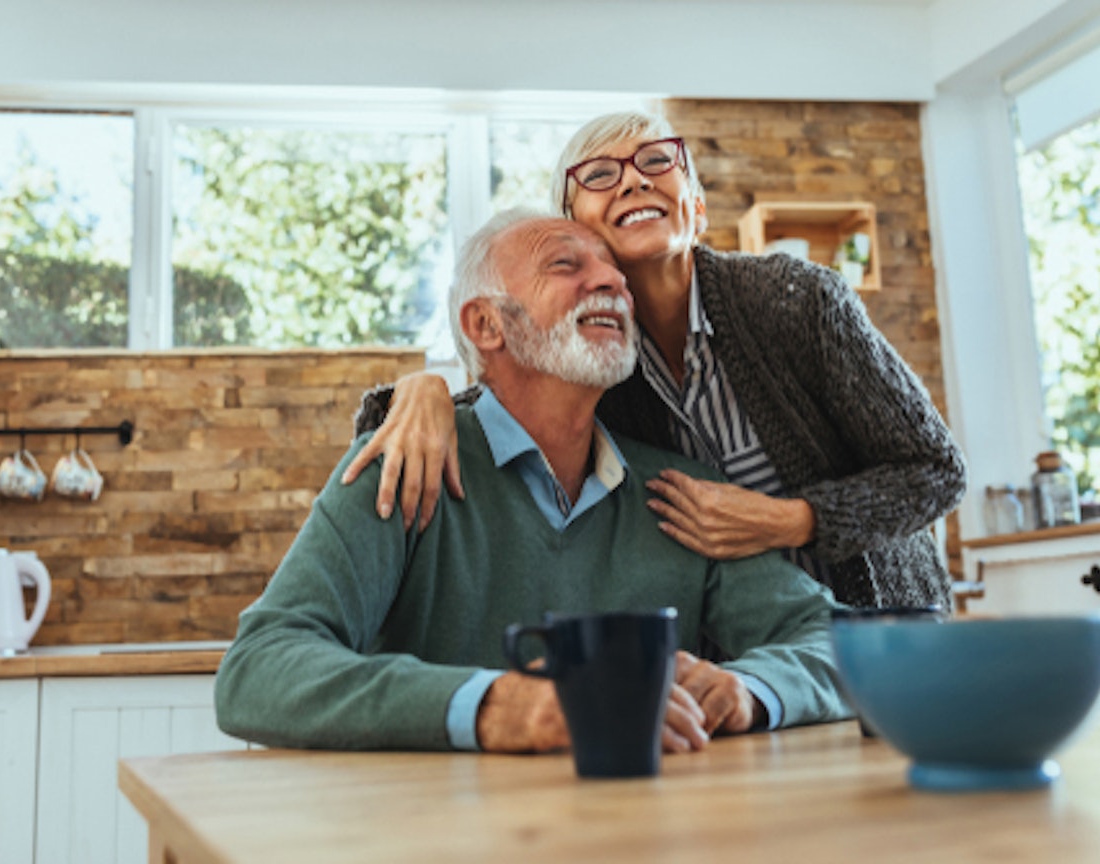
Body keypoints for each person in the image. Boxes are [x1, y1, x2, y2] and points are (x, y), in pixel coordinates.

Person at [214, 210, 851, 753]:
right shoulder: (401, 466)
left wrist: (752, 689)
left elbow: (843, 642)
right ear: (486, 325)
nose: (612, 281)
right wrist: (498, 705)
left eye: (614, 271)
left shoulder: (684, 496)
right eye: (565, 265)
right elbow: (257, 669)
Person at [345, 111, 967, 612]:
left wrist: (790, 521)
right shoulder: (588, 356)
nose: (633, 181)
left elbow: (936, 470)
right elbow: (492, 407)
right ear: (574, 229)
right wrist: (420, 390)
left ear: (696, 207)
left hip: (880, 631)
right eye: (600, 174)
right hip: (735, 666)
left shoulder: (798, 300)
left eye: (655, 161)